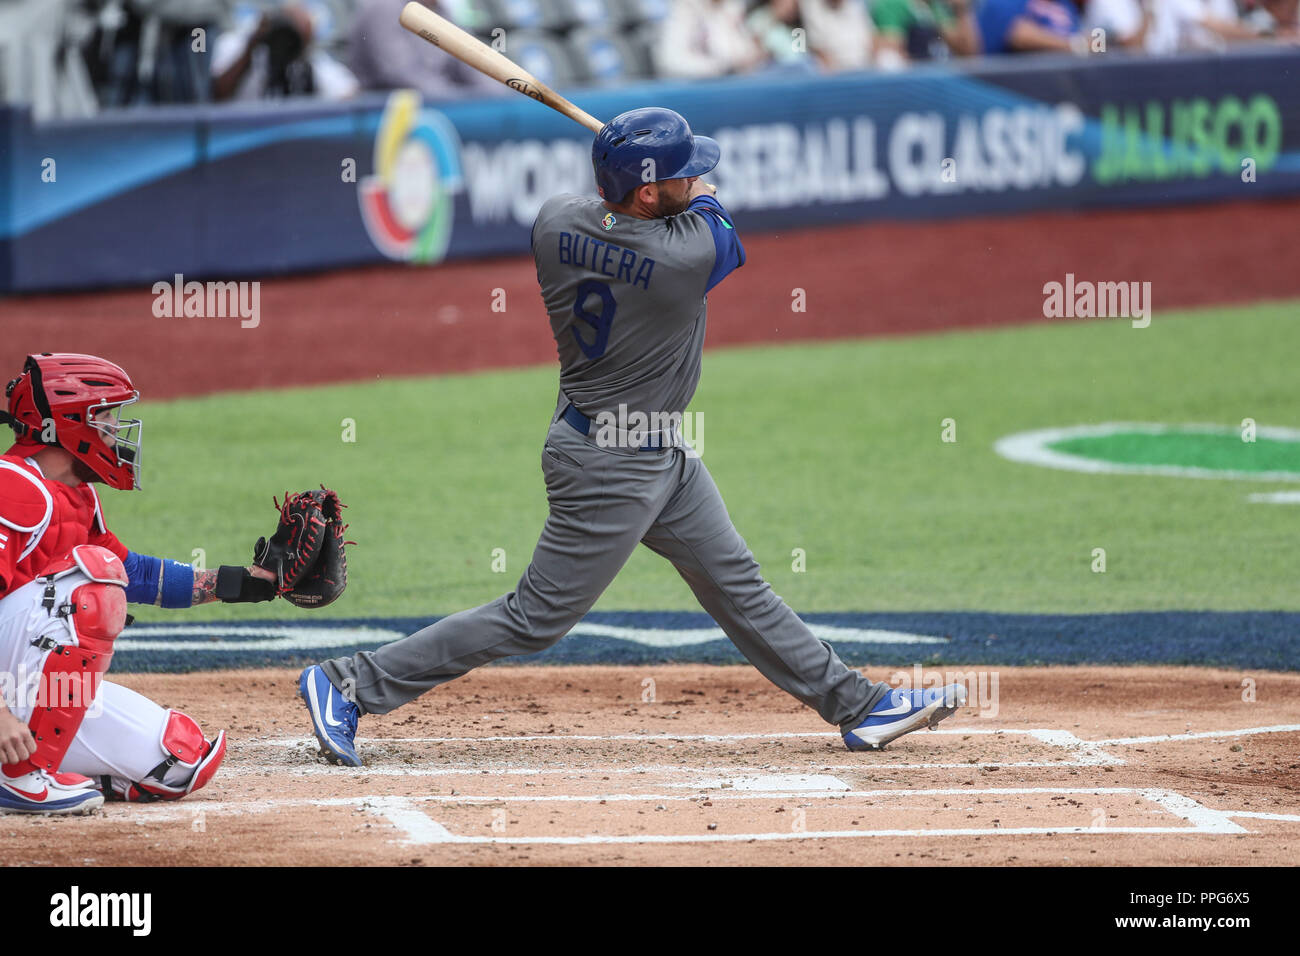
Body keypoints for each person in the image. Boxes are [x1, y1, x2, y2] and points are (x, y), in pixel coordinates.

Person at [297, 107, 968, 768]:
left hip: (647, 450)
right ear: (649, 192)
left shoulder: (555, 222)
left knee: (737, 584)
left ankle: (859, 706)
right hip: (608, 468)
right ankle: (348, 684)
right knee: (535, 618)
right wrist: (684, 187)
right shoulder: (683, 258)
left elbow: (619, 210)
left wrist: (638, 167)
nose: (696, 179)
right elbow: (714, 217)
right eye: (681, 174)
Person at [0, 353, 282, 814]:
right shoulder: (13, 488)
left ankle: (41, 760)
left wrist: (248, 582)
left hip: (24, 685)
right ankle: (17, 777)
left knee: (177, 762)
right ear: (67, 424)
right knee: (91, 593)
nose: (115, 431)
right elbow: (109, 579)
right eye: (105, 417)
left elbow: (139, 575)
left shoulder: (75, 495)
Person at [347, 0, 502, 100]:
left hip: (439, 109)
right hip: (386, 117)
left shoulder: (441, 12)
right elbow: (403, 75)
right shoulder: (383, 8)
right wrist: (461, 99)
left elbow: (472, 62)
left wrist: (498, 97)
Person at [210, 2, 358, 101]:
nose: (283, 43)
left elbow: (349, 93)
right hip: (244, 138)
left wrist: (303, 42)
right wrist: (251, 47)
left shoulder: (302, 52)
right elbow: (217, 94)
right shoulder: (240, 42)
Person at [870, 0, 982, 65]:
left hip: (946, 86)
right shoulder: (893, 4)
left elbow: (969, 51)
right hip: (918, 90)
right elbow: (889, 57)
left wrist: (961, 8)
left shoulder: (938, 6)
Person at [977, 0, 1084, 54]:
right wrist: (1075, 44)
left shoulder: (1065, 4)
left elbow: (1076, 33)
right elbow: (1019, 35)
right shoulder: (1005, 2)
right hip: (1004, 89)